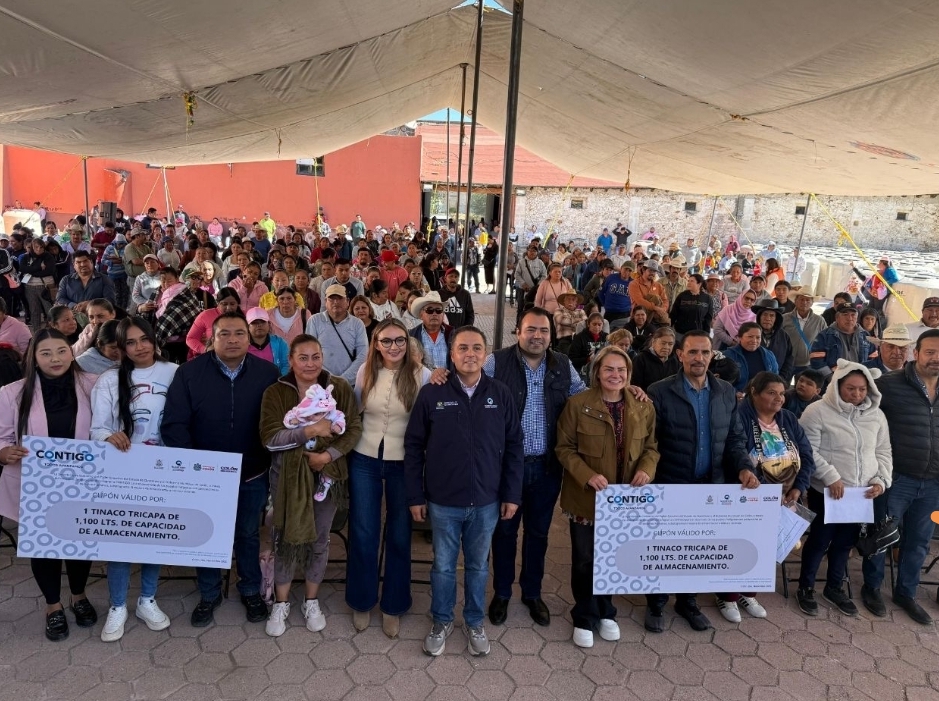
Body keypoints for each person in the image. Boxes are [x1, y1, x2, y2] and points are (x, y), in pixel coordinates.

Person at [405, 326, 523, 657]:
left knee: (478, 566)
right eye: (463, 348)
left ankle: (474, 622)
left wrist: (512, 494)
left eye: (476, 348)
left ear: (486, 354)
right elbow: (413, 446)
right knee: (443, 565)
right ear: (452, 354)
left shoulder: (500, 394)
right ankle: (442, 620)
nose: (470, 354)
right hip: (443, 501)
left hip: (486, 501)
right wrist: (415, 495)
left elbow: (515, 446)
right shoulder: (432, 393)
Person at [161, 312, 281, 628]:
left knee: (248, 533)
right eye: (224, 333)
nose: (232, 339)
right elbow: (174, 424)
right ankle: (210, 593)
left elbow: (277, 423)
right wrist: (192, 467)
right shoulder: (189, 373)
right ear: (210, 338)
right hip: (205, 476)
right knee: (206, 533)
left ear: (248, 337)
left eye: (239, 333)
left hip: (252, 472)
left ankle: (250, 589)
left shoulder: (268, 373)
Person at [485, 308, 587, 629]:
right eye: (531, 329)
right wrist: (440, 375)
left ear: (551, 335)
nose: (537, 336)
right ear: (518, 331)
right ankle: (502, 592)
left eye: (543, 330)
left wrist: (626, 392)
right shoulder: (496, 362)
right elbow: (470, 387)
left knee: (538, 533)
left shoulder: (562, 365)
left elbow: (584, 398)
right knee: (504, 532)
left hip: (546, 467)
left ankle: (532, 593)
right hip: (507, 468)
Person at [645, 331, 749, 633]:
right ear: (680, 355)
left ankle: (687, 601)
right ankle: (656, 602)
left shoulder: (725, 392)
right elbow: (650, 441)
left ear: (712, 356)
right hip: (671, 482)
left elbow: (735, 438)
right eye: (692, 352)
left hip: (710, 486)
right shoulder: (659, 391)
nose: (699, 358)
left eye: (705, 352)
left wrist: (744, 467)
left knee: (698, 548)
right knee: (666, 548)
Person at [259, 334, 361, 637]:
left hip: (327, 477)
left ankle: (311, 600)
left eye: (315, 356)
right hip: (287, 480)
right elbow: (270, 438)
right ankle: (281, 603)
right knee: (285, 539)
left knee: (319, 540)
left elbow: (353, 429)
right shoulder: (276, 392)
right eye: (302, 358)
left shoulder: (338, 387)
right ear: (290, 360)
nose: (310, 363)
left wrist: (327, 456)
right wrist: (310, 431)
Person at [0, 329, 99, 640]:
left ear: (72, 352)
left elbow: (106, 426)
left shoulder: (93, 385)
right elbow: (2, 436)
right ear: (33, 357)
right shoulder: (12, 393)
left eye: (61, 351)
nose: (55, 358)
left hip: (83, 479)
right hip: (37, 483)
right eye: (46, 353)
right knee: (45, 546)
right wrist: (3, 451)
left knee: (80, 543)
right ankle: (53, 605)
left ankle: (79, 595)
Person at [90, 317, 178, 641]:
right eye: (130, 342)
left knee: (155, 536)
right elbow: (97, 428)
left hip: (163, 469)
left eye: (144, 339)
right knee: (121, 538)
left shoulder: (174, 373)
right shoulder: (109, 380)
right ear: (121, 348)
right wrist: (108, 436)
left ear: (154, 339)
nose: (139, 347)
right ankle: (117, 605)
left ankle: (147, 599)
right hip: (123, 471)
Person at [346, 320, 434, 637]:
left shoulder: (423, 375)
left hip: (404, 463)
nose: (393, 347)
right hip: (364, 458)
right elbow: (355, 410)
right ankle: (361, 599)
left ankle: (394, 604)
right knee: (363, 530)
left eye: (400, 340)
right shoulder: (365, 371)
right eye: (386, 341)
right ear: (376, 343)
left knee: (399, 532)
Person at [559, 350, 656, 637]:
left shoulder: (642, 406)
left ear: (629, 373)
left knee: (612, 557)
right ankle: (584, 616)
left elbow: (651, 447)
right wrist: (587, 475)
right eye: (609, 369)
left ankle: (606, 611)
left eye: (621, 370)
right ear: (597, 373)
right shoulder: (578, 405)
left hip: (623, 502)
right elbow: (564, 448)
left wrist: (646, 470)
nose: (616, 375)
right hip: (586, 499)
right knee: (585, 559)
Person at [716, 371, 815, 621]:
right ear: (754, 392)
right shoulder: (739, 417)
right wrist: (759, 486)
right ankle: (727, 596)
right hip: (748, 494)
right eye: (771, 393)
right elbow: (732, 452)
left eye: (781, 393)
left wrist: (798, 487)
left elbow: (807, 456)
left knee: (765, 547)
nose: (779, 398)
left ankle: (749, 593)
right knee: (739, 546)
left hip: (785, 497)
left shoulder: (788, 419)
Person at [796, 361, 891, 617]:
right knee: (820, 540)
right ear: (838, 386)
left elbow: (883, 451)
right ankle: (805, 587)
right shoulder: (817, 411)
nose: (857, 394)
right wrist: (831, 477)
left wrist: (880, 480)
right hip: (828, 491)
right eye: (851, 388)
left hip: (859, 494)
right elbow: (808, 450)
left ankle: (834, 587)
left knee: (845, 543)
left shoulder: (876, 415)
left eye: (862, 389)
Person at [863, 329, 939, 624]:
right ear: (915, 353)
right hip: (896, 478)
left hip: (933, 482)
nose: (935, 358)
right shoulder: (889, 385)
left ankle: (906, 593)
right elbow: (865, 421)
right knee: (881, 535)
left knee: (919, 541)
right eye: (930, 352)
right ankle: (871, 587)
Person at [305, 284, 368, 386]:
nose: (335, 302)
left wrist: (343, 380)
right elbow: (309, 352)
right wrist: (328, 378)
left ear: (347, 301)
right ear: (325, 302)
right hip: (321, 382)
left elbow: (363, 354)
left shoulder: (357, 324)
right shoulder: (314, 320)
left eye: (339, 298)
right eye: (331, 299)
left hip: (350, 384)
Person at [810, 302, 878, 378]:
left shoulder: (865, 335)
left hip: (859, 381)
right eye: (845, 314)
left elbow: (873, 359)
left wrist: (865, 377)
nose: (850, 318)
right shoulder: (825, 335)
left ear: (857, 317)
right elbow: (816, 359)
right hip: (832, 380)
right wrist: (831, 378)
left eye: (853, 315)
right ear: (837, 318)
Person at [724, 322, 780, 395]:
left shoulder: (769, 355)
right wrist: (734, 393)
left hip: (763, 398)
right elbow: (722, 382)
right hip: (737, 398)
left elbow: (775, 379)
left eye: (758, 337)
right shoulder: (728, 355)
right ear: (740, 337)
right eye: (750, 336)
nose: (754, 341)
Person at [782, 287, 827, 376]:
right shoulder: (785, 318)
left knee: (803, 385)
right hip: (786, 361)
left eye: (808, 300)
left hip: (807, 364)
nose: (804, 302)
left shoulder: (819, 321)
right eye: (801, 299)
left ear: (812, 303)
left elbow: (825, 340)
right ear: (795, 301)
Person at [185, 287, 240, 359]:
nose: (228, 307)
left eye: (232, 304)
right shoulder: (206, 315)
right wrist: (205, 350)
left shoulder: (242, 318)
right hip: (209, 358)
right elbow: (190, 338)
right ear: (217, 303)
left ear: (237, 304)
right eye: (224, 304)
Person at [19, 237, 58, 331]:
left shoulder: (48, 256)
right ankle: (37, 332)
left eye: (41, 247)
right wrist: (39, 268)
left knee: (49, 309)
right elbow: (23, 269)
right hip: (29, 286)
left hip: (45, 286)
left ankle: (53, 330)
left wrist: (31, 272)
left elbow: (49, 271)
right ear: (32, 247)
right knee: (34, 310)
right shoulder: (26, 257)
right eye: (36, 247)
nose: (39, 249)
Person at [408, 292, 453, 371]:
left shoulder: (453, 334)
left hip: (448, 378)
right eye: (430, 310)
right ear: (421, 315)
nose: (434, 314)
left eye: (438, 310)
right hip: (421, 378)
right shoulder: (412, 335)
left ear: (443, 314)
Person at [753, 299, 795, 383]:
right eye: (765, 314)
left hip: (777, 381)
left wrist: (781, 378)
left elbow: (789, 359)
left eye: (772, 316)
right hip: (753, 381)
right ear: (759, 316)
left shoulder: (784, 336)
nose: (768, 318)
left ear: (776, 318)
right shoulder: (751, 333)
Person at [246, 307, 290, 375]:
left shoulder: (280, 343)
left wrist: (279, 380)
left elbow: (286, 365)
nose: (259, 325)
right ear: (247, 327)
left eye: (263, 322)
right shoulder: (242, 346)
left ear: (269, 324)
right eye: (254, 323)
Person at [596, 262, 633, 327]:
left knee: (621, 332)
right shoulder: (611, 277)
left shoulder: (633, 283)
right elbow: (600, 292)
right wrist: (605, 304)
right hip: (609, 312)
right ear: (621, 268)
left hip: (624, 314)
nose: (627, 272)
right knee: (606, 331)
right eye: (625, 269)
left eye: (630, 270)